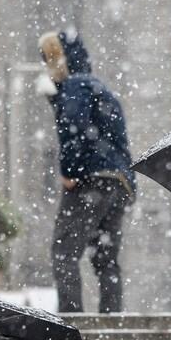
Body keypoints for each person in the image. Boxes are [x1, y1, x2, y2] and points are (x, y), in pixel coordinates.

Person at [38, 29, 134, 314]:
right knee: (106, 258)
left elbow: (74, 129)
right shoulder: (98, 87)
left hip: (90, 181)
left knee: (64, 252)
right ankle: (112, 321)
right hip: (119, 184)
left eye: (48, 59)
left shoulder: (76, 86)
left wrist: (69, 171)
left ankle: (72, 323)